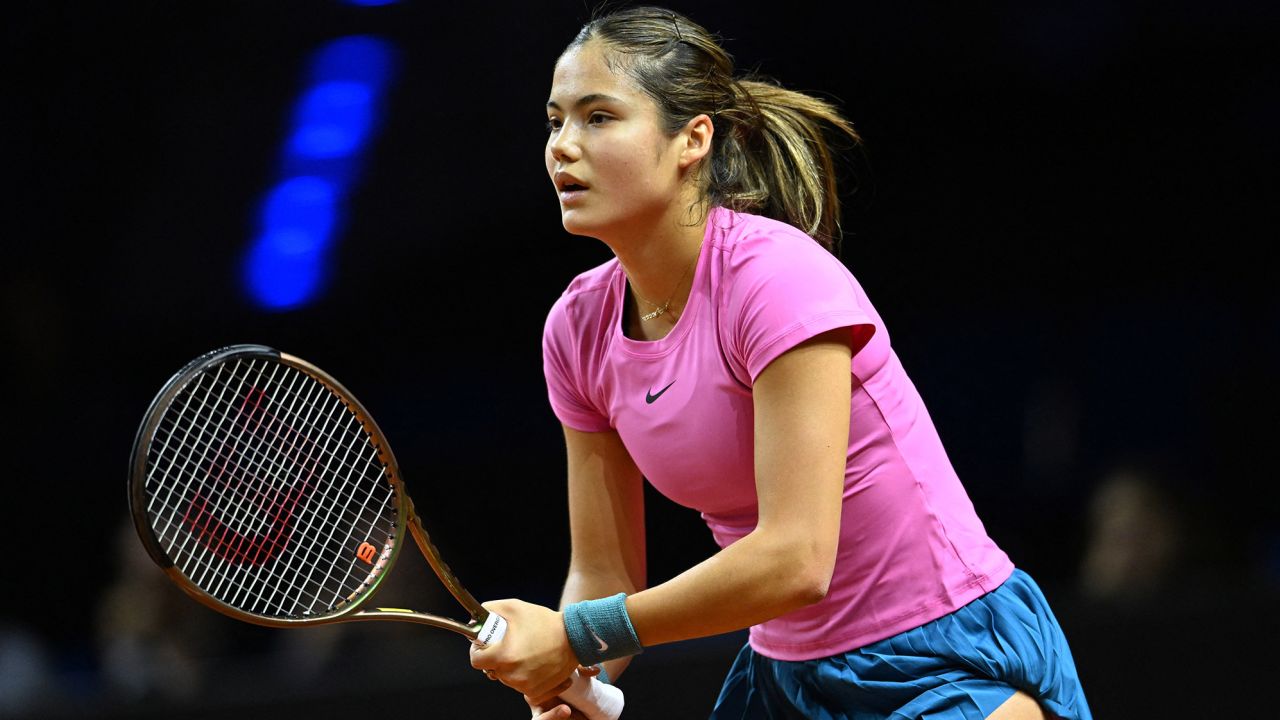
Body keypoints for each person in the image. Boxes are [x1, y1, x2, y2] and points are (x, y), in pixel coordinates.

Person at [470, 6, 1092, 719]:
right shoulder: (577, 329)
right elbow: (604, 569)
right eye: (555, 122)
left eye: (599, 118)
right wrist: (573, 680)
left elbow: (797, 558)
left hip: (940, 650)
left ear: (691, 139)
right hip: (787, 679)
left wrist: (576, 635)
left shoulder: (774, 280)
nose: (564, 147)